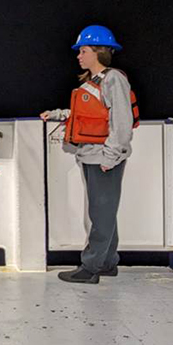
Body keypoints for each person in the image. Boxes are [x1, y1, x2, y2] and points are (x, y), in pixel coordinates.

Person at [41, 25, 138, 284]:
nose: (78, 56)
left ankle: (91, 268)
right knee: (104, 211)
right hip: (90, 155)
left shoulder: (113, 79)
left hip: (102, 157)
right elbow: (89, 116)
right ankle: (107, 262)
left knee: (100, 212)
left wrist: (111, 156)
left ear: (98, 52)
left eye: (83, 50)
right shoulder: (93, 81)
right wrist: (58, 114)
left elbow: (121, 121)